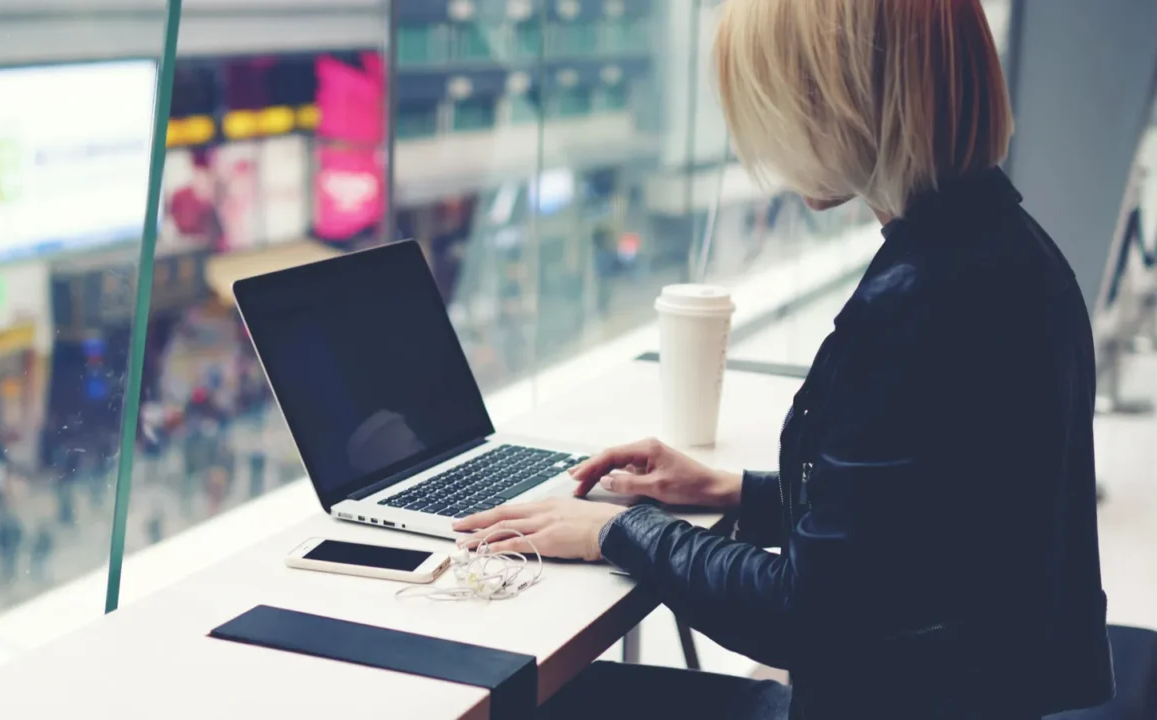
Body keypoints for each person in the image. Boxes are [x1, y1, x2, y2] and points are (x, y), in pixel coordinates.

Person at [455, 1, 1115, 718]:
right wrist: (730, 490)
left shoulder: (917, 306)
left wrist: (620, 531)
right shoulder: (1010, 250)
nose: (760, 147)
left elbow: (803, 617)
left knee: (539, 705)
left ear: (841, 105)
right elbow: (913, 531)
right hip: (976, 691)